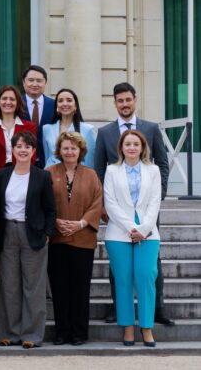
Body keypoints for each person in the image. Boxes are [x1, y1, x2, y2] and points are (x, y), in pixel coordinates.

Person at [94, 82, 172, 326]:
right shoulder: (105, 133)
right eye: (120, 101)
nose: (124, 104)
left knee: (151, 262)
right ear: (115, 103)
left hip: (147, 209)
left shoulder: (150, 128)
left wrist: (156, 202)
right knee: (119, 263)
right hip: (118, 213)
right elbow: (98, 171)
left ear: (135, 100)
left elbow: (162, 164)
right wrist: (104, 207)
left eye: (128, 100)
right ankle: (119, 309)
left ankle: (157, 308)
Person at [0, 131, 56, 348]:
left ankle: (32, 334)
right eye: (18, 146)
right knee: (9, 285)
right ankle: (9, 332)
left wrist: (47, 233)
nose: (22, 149)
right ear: (13, 149)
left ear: (33, 151)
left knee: (34, 286)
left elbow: (50, 209)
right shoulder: (1, 175)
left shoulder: (42, 176)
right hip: (7, 232)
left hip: (33, 234)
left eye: (27, 146)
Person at [103, 130, 162, 348]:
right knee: (124, 279)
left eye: (136, 144)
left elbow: (155, 201)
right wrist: (130, 227)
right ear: (121, 147)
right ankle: (128, 327)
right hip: (118, 233)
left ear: (142, 147)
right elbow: (110, 203)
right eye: (127, 144)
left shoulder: (153, 170)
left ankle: (146, 327)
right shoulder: (111, 170)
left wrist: (144, 228)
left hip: (148, 233)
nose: (131, 148)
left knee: (146, 276)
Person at [46, 131, 102, 345]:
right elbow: (44, 202)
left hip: (83, 239)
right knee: (59, 288)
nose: (69, 151)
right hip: (57, 239)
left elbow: (97, 202)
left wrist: (81, 223)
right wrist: (56, 222)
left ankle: (79, 333)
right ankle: (62, 332)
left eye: (73, 148)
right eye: (65, 148)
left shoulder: (91, 174)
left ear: (81, 151)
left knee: (80, 288)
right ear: (59, 150)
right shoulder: (49, 172)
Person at [0, 85, 38, 178]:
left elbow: (32, 154)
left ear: (17, 103)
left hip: (23, 176)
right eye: (4, 99)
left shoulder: (29, 127)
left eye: (12, 99)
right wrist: (0, 176)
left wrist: (20, 174)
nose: (8, 102)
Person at [42, 88, 98, 168]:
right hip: (52, 174)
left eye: (69, 100)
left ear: (75, 106)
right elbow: (47, 157)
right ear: (57, 106)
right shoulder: (46, 129)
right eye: (60, 101)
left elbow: (90, 161)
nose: (65, 104)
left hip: (77, 175)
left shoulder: (88, 129)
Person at [19, 65, 55, 168]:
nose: (35, 84)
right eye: (31, 80)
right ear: (24, 82)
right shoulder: (15, 105)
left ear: (45, 83)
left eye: (39, 81)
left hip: (49, 163)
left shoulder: (55, 105)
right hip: (22, 162)